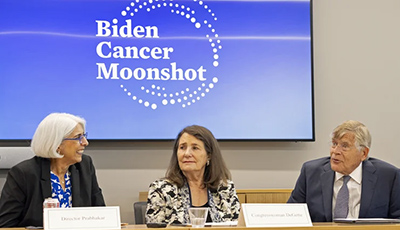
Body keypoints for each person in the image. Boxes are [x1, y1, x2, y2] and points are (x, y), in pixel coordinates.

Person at [0, 113, 105, 227]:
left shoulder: (85, 166)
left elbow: (100, 213)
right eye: (78, 137)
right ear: (57, 143)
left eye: (84, 136)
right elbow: (6, 224)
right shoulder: (23, 173)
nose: (85, 142)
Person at [288, 120, 400, 222]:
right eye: (334, 144)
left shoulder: (389, 177)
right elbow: (291, 215)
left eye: (345, 146)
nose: (335, 152)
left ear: (363, 153)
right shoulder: (311, 172)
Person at [146, 125, 240, 225]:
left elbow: (238, 226)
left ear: (209, 155)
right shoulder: (161, 190)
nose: (187, 153)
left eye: (195, 148)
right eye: (182, 147)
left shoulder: (225, 188)